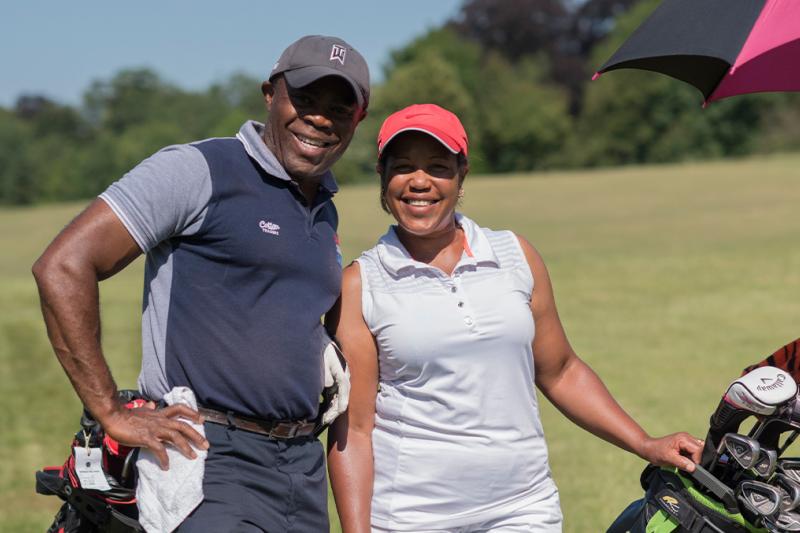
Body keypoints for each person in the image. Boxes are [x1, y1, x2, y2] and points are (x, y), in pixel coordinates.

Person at [32, 34, 368, 532]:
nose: (321, 118)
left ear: (357, 122)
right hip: (211, 457)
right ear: (270, 94)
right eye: (306, 98)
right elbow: (63, 264)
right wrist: (108, 408)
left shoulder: (324, 211)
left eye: (340, 108)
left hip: (302, 466)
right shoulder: (199, 169)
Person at [326, 104, 704, 532]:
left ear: (461, 175)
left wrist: (644, 443)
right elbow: (354, 431)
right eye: (403, 167)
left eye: (437, 167)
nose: (419, 181)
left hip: (524, 509)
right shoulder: (360, 285)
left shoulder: (514, 256)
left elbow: (561, 371)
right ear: (383, 176)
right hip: (412, 518)